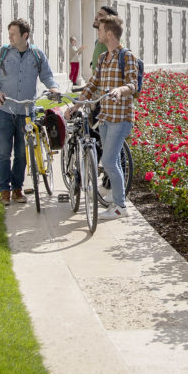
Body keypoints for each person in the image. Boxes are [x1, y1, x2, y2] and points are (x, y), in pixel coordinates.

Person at [68, 13, 140, 219]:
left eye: (99, 30)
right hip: (105, 117)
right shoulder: (102, 58)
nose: (97, 33)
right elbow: (93, 84)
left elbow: (133, 84)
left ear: (109, 33)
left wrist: (120, 90)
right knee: (113, 161)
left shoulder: (127, 56)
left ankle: (120, 206)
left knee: (108, 162)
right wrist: (77, 104)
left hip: (121, 118)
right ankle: (118, 203)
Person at [0, 18, 60, 205]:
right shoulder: (1, 54)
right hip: (4, 110)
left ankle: (17, 189)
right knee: (3, 152)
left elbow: (47, 76)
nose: (9, 37)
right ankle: (4, 190)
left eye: (13, 34)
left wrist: (54, 88)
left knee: (21, 152)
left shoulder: (36, 55)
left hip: (26, 112)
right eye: (9, 33)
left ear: (25, 35)